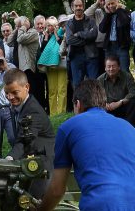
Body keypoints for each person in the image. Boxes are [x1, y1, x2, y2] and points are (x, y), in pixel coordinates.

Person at [38, 80, 135, 210]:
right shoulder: (129, 127)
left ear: (77, 104)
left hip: (101, 204)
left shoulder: (68, 127)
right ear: (104, 104)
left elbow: (57, 190)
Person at [4, 68, 54, 199]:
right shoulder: (18, 106)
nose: (10, 97)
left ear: (26, 87)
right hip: (30, 160)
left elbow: (24, 141)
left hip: (43, 166)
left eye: (14, 92)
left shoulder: (33, 111)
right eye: (7, 93)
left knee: (33, 204)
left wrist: (9, 159)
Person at [66, 0, 98, 88]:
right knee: (77, 85)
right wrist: (86, 40)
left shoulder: (91, 20)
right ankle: (78, 103)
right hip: (75, 58)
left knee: (93, 85)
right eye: (76, 6)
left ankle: (93, 102)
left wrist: (79, 34)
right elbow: (69, 40)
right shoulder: (69, 23)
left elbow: (94, 34)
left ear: (83, 7)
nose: (78, 8)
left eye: (80, 5)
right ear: (72, 8)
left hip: (91, 56)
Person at [37, 17, 67, 116]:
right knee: (52, 90)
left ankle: (61, 112)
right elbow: (43, 51)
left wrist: (56, 33)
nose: (50, 27)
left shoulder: (62, 32)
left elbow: (61, 44)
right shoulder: (46, 36)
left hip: (61, 65)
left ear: (56, 26)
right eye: (48, 25)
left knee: (61, 89)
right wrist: (46, 37)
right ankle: (53, 114)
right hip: (50, 67)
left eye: (52, 25)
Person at [97, 55, 135, 127]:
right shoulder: (100, 80)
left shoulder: (127, 76)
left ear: (119, 67)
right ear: (105, 68)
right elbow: (96, 96)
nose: (111, 69)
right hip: (108, 108)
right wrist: (104, 104)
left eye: (113, 66)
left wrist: (120, 102)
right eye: (108, 66)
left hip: (123, 106)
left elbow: (133, 92)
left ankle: (128, 126)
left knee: (133, 101)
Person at [99, 0, 131, 72]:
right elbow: (102, 29)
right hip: (109, 47)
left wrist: (119, 10)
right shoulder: (108, 15)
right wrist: (107, 14)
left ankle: (128, 84)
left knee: (124, 71)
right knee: (109, 71)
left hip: (121, 46)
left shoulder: (124, 11)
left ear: (118, 2)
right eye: (108, 4)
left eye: (112, 3)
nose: (110, 6)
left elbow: (125, 23)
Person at [85, 0, 108, 75]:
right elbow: (86, 15)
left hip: (108, 45)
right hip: (96, 46)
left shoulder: (113, 10)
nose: (102, 2)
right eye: (100, 0)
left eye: (104, 0)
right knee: (98, 70)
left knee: (108, 69)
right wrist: (96, 4)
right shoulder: (96, 11)